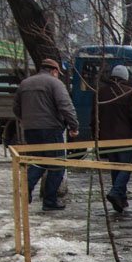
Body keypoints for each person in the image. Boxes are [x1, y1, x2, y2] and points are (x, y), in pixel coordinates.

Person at [13, 58, 79, 210]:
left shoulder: (25, 83)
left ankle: (25, 190)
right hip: (51, 129)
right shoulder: (55, 83)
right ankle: (49, 201)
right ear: (54, 71)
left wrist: (26, 120)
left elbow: (16, 108)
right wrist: (73, 126)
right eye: (58, 73)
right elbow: (65, 106)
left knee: (38, 161)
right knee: (57, 165)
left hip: (30, 130)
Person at [90, 65, 132, 213]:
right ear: (125, 77)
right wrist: (129, 123)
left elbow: (94, 116)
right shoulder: (128, 92)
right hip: (124, 136)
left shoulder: (100, 92)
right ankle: (116, 192)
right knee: (126, 166)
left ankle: (120, 199)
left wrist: (95, 134)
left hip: (107, 138)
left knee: (115, 166)